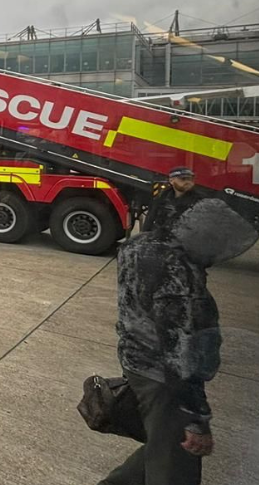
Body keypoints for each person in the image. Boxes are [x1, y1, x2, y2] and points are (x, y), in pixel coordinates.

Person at [100, 197, 257, 484]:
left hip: (135, 361)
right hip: (164, 380)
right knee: (176, 465)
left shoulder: (139, 245)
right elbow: (181, 352)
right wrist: (197, 418)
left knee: (162, 445)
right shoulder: (178, 272)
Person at [142, 166, 203, 234]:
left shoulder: (199, 201)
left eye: (190, 179)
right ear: (171, 181)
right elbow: (149, 220)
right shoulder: (162, 198)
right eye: (183, 179)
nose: (188, 182)